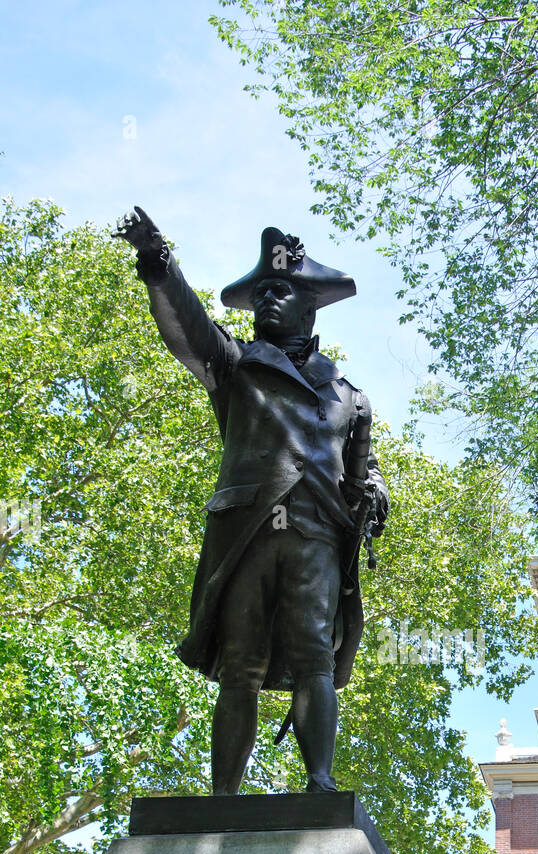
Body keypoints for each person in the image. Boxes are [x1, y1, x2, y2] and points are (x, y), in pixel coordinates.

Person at [113, 208, 388, 794]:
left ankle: (319, 782)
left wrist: (378, 492)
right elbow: (186, 326)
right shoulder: (235, 365)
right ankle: (224, 797)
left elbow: (362, 471)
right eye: (260, 290)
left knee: (315, 654)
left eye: (280, 290)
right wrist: (159, 264)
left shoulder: (351, 398)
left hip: (316, 535)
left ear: (310, 306)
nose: (266, 299)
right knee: (240, 665)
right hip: (246, 535)